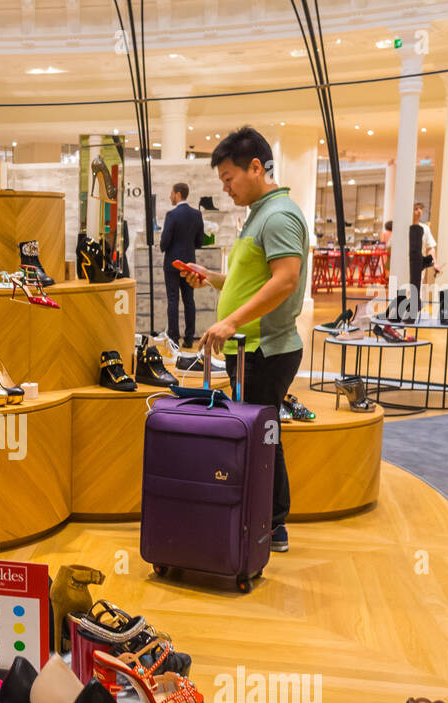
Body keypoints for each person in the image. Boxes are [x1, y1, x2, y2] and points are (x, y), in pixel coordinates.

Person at [180, 125, 307, 554]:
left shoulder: (280, 215)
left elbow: (286, 280)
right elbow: (250, 281)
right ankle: (265, 521)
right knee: (258, 432)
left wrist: (231, 320)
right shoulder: (260, 213)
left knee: (263, 434)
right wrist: (213, 280)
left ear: (256, 168)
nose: (226, 188)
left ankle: (272, 525)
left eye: (229, 179)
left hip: (263, 350)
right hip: (248, 348)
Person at [160, 182, 205, 346]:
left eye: (171, 193)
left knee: (173, 300)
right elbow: (200, 241)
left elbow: (165, 241)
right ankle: (188, 339)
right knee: (189, 300)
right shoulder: (196, 215)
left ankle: (173, 339)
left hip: (172, 263)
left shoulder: (171, 215)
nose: (170, 196)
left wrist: (163, 246)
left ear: (178, 194)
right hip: (189, 264)